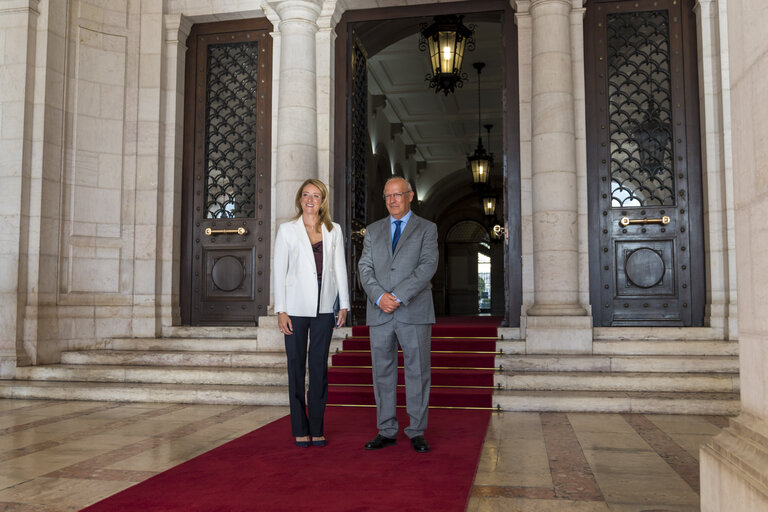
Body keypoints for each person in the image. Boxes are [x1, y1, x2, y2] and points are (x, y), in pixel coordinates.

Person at [358, 176, 438, 453]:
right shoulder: (373, 230)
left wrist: (398, 296)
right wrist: (380, 296)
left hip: (413, 310)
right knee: (382, 372)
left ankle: (416, 431)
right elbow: (364, 268)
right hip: (379, 311)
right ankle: (387, 430)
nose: (393, 200)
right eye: (388, 196)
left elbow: (427, 266)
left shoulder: (427, 229)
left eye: (398, 195)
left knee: (417, 372)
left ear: (410, 196)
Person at [273, 179, 349, 447]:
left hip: (324, 305)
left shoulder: (333, 229)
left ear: (323, 201)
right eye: (306, 194)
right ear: (299, 199)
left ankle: (317, 427)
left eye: (316, 195)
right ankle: (299, 428)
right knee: (295, 366)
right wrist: (280, 310)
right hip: (294, 306)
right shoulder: (287, 230)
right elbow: (279, 272)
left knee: (318, 368)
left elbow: (340, 268)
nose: (310, 199)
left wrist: (344, 304)